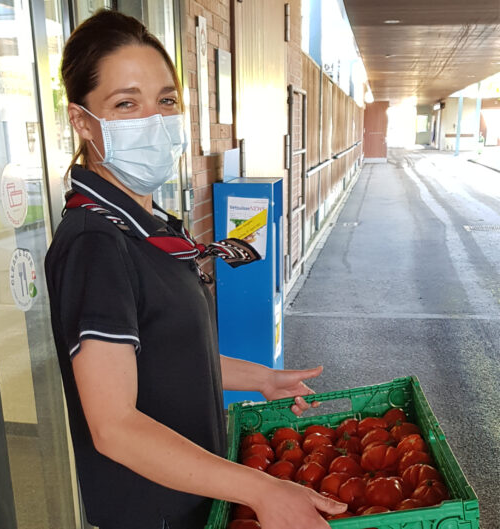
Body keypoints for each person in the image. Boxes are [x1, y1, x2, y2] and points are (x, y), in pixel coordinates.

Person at [44, 9, 346, 529]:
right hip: (152, 511)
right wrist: (263, 489)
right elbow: (114, 425)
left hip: (196, 495)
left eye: (165, 100)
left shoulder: (149, 226)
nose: (154, 121)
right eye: (125, 104)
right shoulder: (96, 243)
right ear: (80, 121)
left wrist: (262, 379)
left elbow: (166, 355)